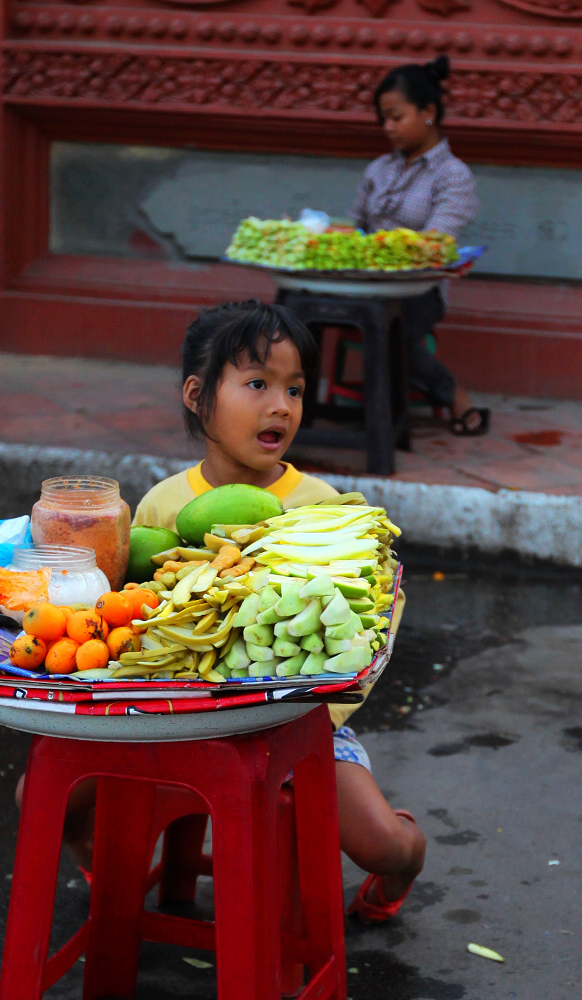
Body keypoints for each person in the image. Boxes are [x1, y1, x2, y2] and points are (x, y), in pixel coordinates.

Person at [132, 298, 426, 924]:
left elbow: (375, 621)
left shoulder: (325, 508)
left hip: (307, 722)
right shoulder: (162, 505)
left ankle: (407, 858)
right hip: (182, 717)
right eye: (258, 383)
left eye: (294, 389)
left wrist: (324, 710)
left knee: (378, 843)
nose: (281, 406)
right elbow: (135, 614)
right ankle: (103, 874)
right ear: (196, 395)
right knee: (52, 794)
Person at [350, 55, 489, 437]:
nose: (388, 127)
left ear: (428, 112)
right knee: (295, 309)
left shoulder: (453, 176)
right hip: (362, 282)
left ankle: (454, 396)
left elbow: (433, 244)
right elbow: (356, 225)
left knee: (390, 329)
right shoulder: (379, 168)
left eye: (397, 116)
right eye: (383, 118)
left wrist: (377, 247)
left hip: (419, 288)